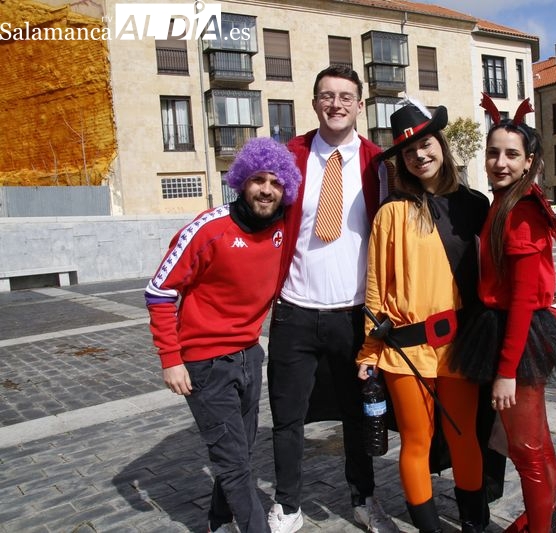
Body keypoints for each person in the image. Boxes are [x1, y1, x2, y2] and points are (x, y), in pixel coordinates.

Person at [145, 137, 301, 533]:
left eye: (276, 182)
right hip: (205, 364)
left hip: (249, 354)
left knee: (240, 452)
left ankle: (218, 521)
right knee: (233, 463)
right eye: (258, 179)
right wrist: (171, 360)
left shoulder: (283, 226)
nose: (266, 189)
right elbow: (159, 292)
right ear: (241, 181)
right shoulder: (210, 228)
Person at [266, 65, 398, 533]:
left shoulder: (380, 164)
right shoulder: (290, 156)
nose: (335, 104)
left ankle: (363, 498)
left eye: (345, 96)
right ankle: (287, 504)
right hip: (295, 310)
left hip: (354, 314)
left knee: (359, 414)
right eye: (326, 95)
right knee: (287, 417)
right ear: (314, 103)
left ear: (360, 105)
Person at [355, 101, 489, 533]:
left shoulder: (474, 205)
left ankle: (473, 521)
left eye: (425, 144)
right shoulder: (391, 212)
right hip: (405, 351)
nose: (419, 155)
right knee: (417, 441)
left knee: (465, 435)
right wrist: (369, 351)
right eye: (408, 152)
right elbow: (376, 287)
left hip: (460, 345)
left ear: (441, 145)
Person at [472, 97, 556, 533]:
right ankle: (542, 520)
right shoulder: (508, 200)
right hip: (511, 332)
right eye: (493, 152)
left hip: (515, 336)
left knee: (527, 450)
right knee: (537, 442)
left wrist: (506, 372)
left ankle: (540, 527)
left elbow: (521, 299)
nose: (500, 162)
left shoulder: (520, 211)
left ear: (529, 161)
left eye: (511, 154)